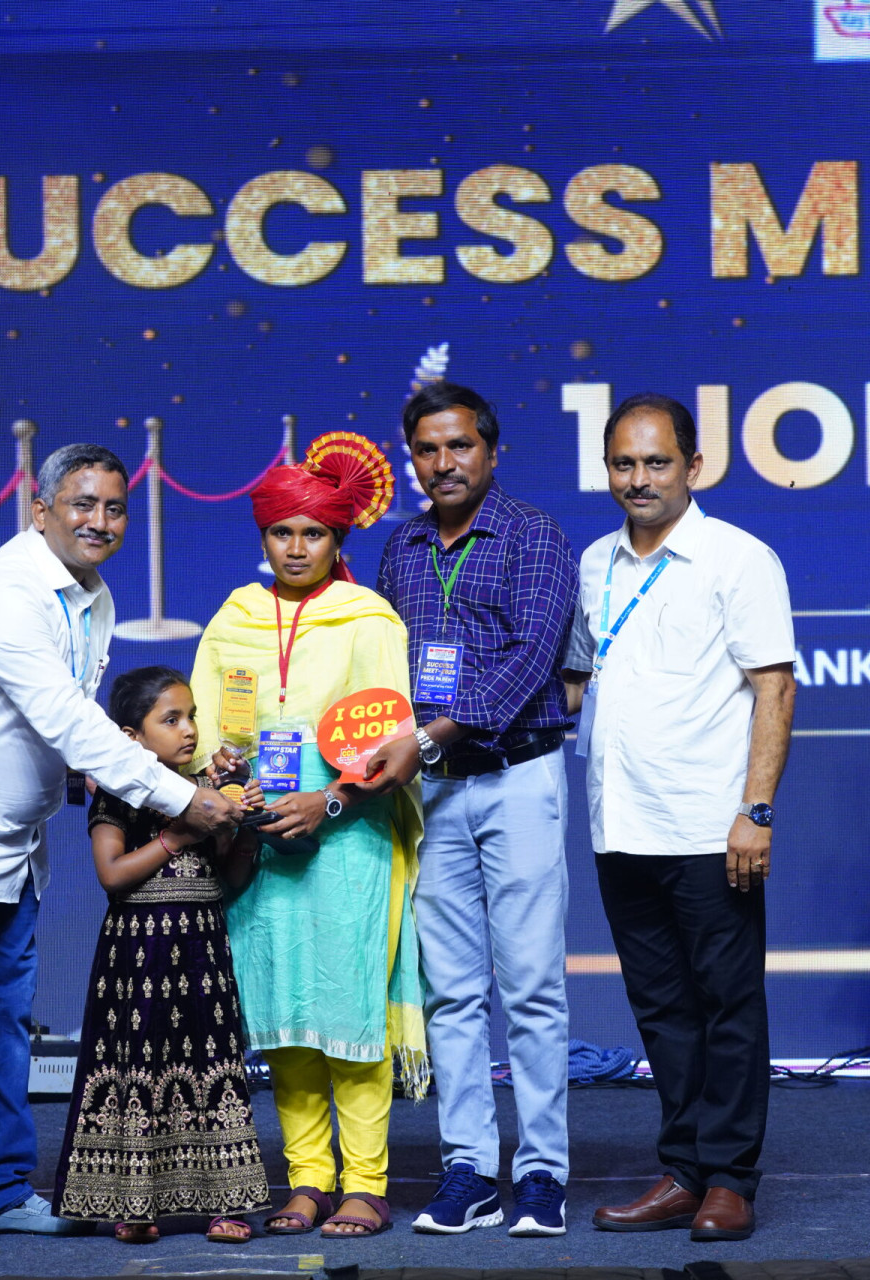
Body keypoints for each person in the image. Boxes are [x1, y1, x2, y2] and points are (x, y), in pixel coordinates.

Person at [0, 444, 238, 1256]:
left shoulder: (91, 596)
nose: (99, 521)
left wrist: (115, 776)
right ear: (41, 511)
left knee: (5, 1020)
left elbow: (63, 726)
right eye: (81, 504)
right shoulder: (7, 593)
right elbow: (66, 719)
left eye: (114, 508)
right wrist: (182, 798)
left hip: (12, 834)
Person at [562, 394, 795, 1244]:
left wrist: (755, 812)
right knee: (661, 1009)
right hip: (620, 824)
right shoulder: (594, 562)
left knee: (727, 1004)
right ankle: (685, 1169)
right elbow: (577, 684)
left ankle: (730, 1179)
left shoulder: (739, 558)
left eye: (657, 462)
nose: (640, 479)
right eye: (624, 463)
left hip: (709, 826)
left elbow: (775, 688)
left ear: (693, 467)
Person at [188, 437, 425, 1240]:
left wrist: (329, 801)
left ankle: (367, 1183)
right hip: (258, 838)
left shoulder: (368, 618)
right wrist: (221, 771)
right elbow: (204, 729)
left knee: (348, 1011)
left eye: (313, 533)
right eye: (282, 532)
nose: (296, 548)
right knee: (285, 1011)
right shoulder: (233, 620)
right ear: (263, 537)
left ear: (337, 538)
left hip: (348, 837)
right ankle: (309, 1180)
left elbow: (390, 742)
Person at [363, 382, 580, 1238]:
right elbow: (386, 668)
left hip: (516, 777)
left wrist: (430, 733)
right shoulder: (402, 546)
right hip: (432, 790)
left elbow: (532, 659)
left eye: (459, 446)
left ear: (491, 450)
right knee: (451, 994)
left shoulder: (534, 534)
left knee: (531, 990)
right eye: (427, 449)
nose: (444, 463)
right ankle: (470, 1170)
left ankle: (542, 1171)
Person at [51, 666, 271, 1244]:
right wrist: (177, 836)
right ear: (131, 737)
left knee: (210, 1068)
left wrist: (246, 828)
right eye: (170, 719)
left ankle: (225, 1201)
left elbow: (229, 882)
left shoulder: (206, 792)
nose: (189, 730)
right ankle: (134, 1203)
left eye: (191, 716)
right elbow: (111, 875)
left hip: (202, 955)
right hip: (138, 959)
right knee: (138, 1072)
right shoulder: (119, 794)